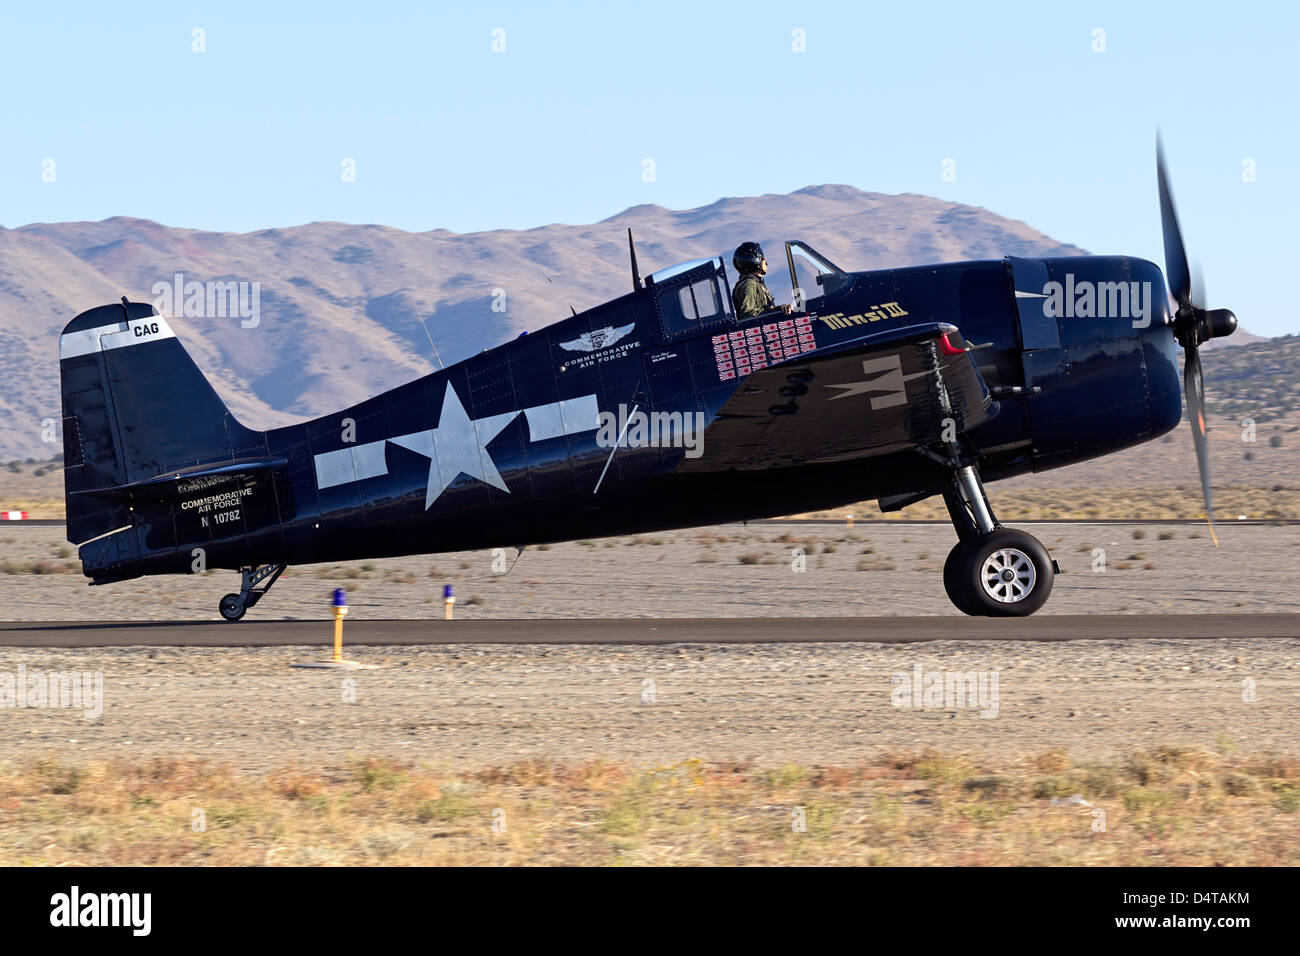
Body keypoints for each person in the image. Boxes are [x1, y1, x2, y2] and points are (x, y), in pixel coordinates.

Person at [731, 242, 791, 319]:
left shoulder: (756, 283)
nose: (765, 260)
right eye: (761, 257)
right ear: (754, 260)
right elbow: (748, 317)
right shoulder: (749, 285)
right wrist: (773, 311)